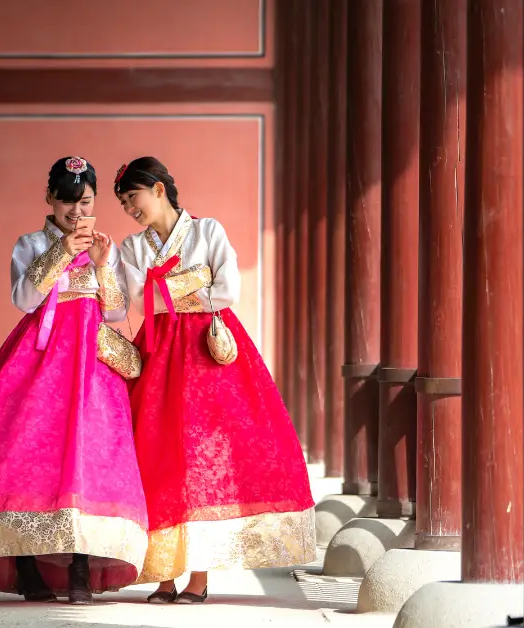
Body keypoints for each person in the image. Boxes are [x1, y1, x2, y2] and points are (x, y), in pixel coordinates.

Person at [0, 156, 148, 605]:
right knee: (26, 456)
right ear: (49, 198)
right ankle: (26, 564)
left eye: (84, 202)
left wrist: (104, 264)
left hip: (91, 363)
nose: (76, 212)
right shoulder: (30, 243)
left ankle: (81, 568)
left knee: (90, 459)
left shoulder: (108, 246)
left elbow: (118, 311)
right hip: (38, 359)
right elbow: (24, 297)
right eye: (67, 202)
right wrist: (63, 250)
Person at [113, 156, 316, 604]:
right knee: (158, 455)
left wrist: (164, 289)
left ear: (160, 188)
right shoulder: (131, 247)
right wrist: (194, 282)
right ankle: (163, 575)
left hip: (207, 357)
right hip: (159, 354)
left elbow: (228, 290)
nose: (130, 208)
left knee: (203, 462)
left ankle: (199, 579)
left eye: (133, 197)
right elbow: (135, 300)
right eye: (125, 202)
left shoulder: (208, 232)